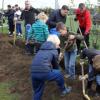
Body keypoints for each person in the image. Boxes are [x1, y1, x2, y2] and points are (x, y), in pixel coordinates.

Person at [31, 35, 71, 100]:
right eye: (58, 45)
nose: (58, 46)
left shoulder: (41, 49)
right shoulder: (53, 51)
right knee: (58, 74)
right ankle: (64, 90)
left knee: (37, 91)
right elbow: (55, 66)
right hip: (43, 72)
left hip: (33, 72)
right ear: (54, 44)